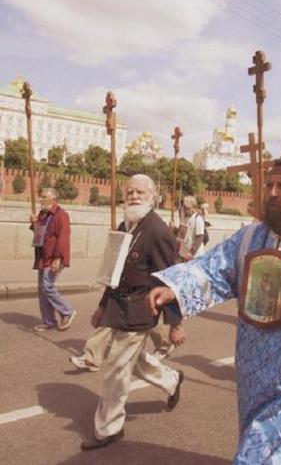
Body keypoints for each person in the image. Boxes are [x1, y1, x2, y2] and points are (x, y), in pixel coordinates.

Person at [148, 159, 281, 464]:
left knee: (263, 446)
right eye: (269, 185)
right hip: (250, 363)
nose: (272, 193)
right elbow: (213, 270)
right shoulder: (248, 238)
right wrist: (176, 288)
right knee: (269, 435)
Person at [80, 174, 185, 451]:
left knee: (115, 368)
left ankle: (109, 428)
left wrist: (175, 323)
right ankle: (172, 380)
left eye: (140, 192)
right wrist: (102, 306)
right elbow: (114, 272)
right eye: (130, 192)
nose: (134, 196)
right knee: (134, 360)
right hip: (118, 306)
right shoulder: (125, 225)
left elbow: (170, 280)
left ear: (152, 196)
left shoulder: (158, 230)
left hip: (141, 309)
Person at [30, 188, 76, 332]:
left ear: (53, 199)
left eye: (44, 197)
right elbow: (39, 234)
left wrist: (57, 258)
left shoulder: (61, 215)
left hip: (54, 257)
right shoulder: (43, 214)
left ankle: (67, 311)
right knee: (42, 290)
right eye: (41, 196)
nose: (40, 199)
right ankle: (49, 321)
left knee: (47, 286)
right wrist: (34, 223)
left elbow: (63, 237)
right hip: (43, 257)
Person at [179, 195, 205, 260]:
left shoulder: (197, 219)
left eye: (185, 208)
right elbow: (182, 236)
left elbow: (200, 237)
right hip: (186, 255)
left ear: (192, 208)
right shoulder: (186, 219)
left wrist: (192, 251)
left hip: (195, 256)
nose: (183, 210)